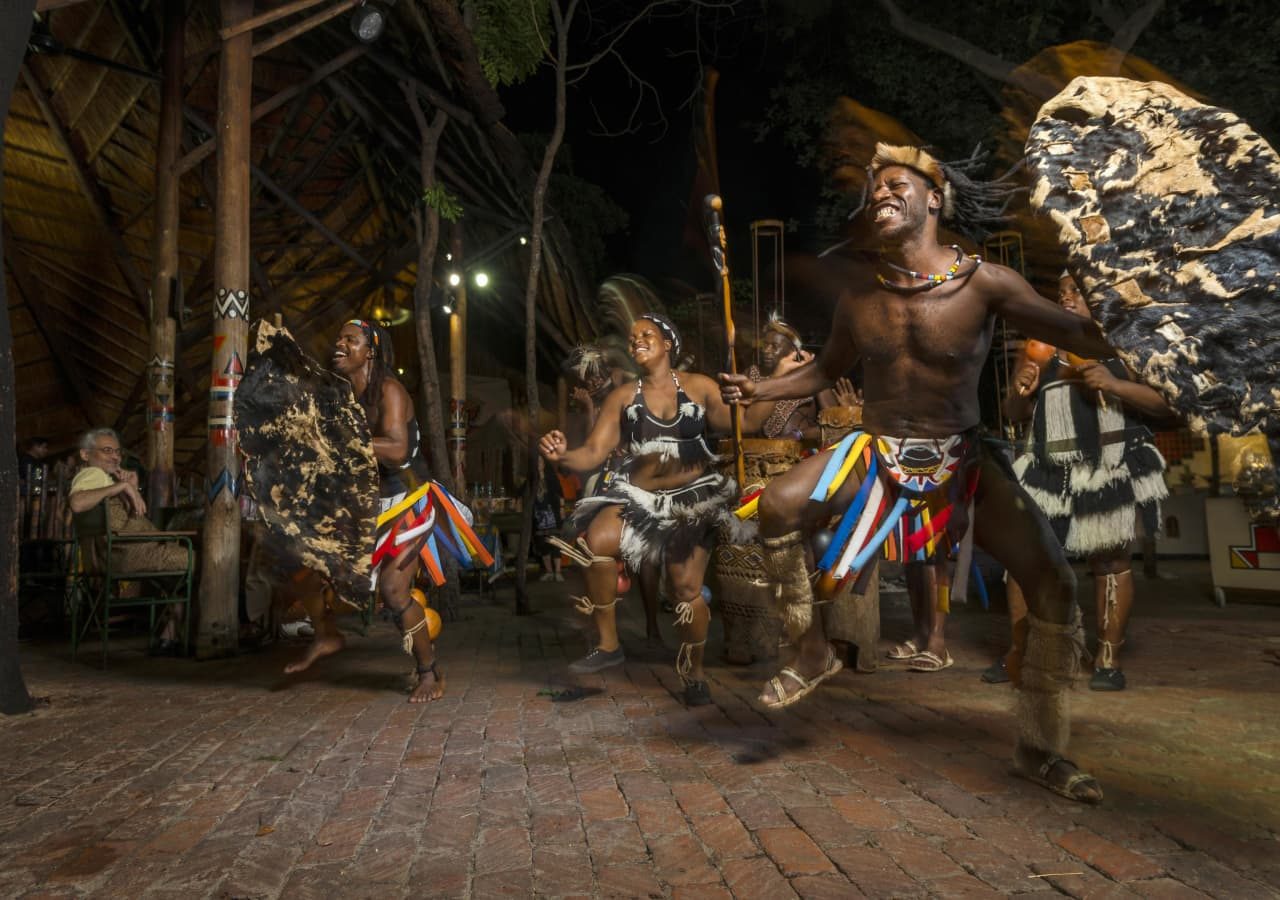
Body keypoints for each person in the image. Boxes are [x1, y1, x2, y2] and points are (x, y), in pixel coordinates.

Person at [719, 143, 1117, 802]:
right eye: (873, 189)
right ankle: (811, 651)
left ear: (935, 199)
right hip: (876, 452)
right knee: (778, 505)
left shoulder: (985, 282)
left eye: (896, 184)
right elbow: (824, 373)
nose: (880, 194)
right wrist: (757, 390)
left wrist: (1130, 313)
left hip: (960, 456)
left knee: (1053, 583)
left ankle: (1040, 748)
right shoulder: (860, 300)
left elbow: (1079, 332)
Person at [539, 314, 760, 706]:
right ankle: (609, 644)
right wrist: (563, 455)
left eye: (647, 334)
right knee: (596, 540)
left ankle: (694, 672)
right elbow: (593, 452)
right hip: (638, 499)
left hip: (692, 498)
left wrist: (761, 389)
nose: (637, 340)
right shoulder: (623, 398)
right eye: (632, 337)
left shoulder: (700, 387)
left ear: (668, 343)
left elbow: (741, 424)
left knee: (685, 589)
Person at [982, 272, 1172, 692]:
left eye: (1077, 292)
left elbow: (1164, 403)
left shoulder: (1129, 342)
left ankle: (1107, 657)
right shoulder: (1041, 345)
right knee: (1025, 560)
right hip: (1047, 468)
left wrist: (1115, 384)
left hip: (1109, 463)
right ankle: (1024, 650)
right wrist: (1020, 389)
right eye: (1062, 292)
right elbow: (1014, 414)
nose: (1066, 299)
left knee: (1110, 561)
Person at [285, 319, 488, 704]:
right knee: (303, 565)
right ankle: (327, 634)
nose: (339, 345)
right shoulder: (344, 396)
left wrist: (344, 438)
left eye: (351, 340)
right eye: (339, 338)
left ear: (371, 351)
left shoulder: (390, 391)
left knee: (395, 592)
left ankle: (429, 673)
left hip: (409, 501)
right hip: (366, 506)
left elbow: (395, 449)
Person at [67, 428, 188, 655]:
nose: (115, 457)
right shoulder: (91, 474)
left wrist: (130, 485)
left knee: (181, 566)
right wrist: (122, 487)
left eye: (118, 452)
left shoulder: (102, 480)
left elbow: (127, 520)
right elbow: (77, 502)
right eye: (106, 450)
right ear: (85, 454)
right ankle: (178, 636)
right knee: (201, 561)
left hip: (123, 554)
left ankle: (168, 637)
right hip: (127, 556)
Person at [533, 456, 564, 582]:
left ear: (544, 464)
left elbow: (560, 493)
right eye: (537, 462)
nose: (538, 464)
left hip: (552, 514)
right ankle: (549, 572)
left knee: (555, 543)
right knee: (542, 544)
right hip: (539, 516)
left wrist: (561, 508)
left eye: (540, 461)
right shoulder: (533, 479)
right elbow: (523, 491)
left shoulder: (551, 478)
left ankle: (558, 572)